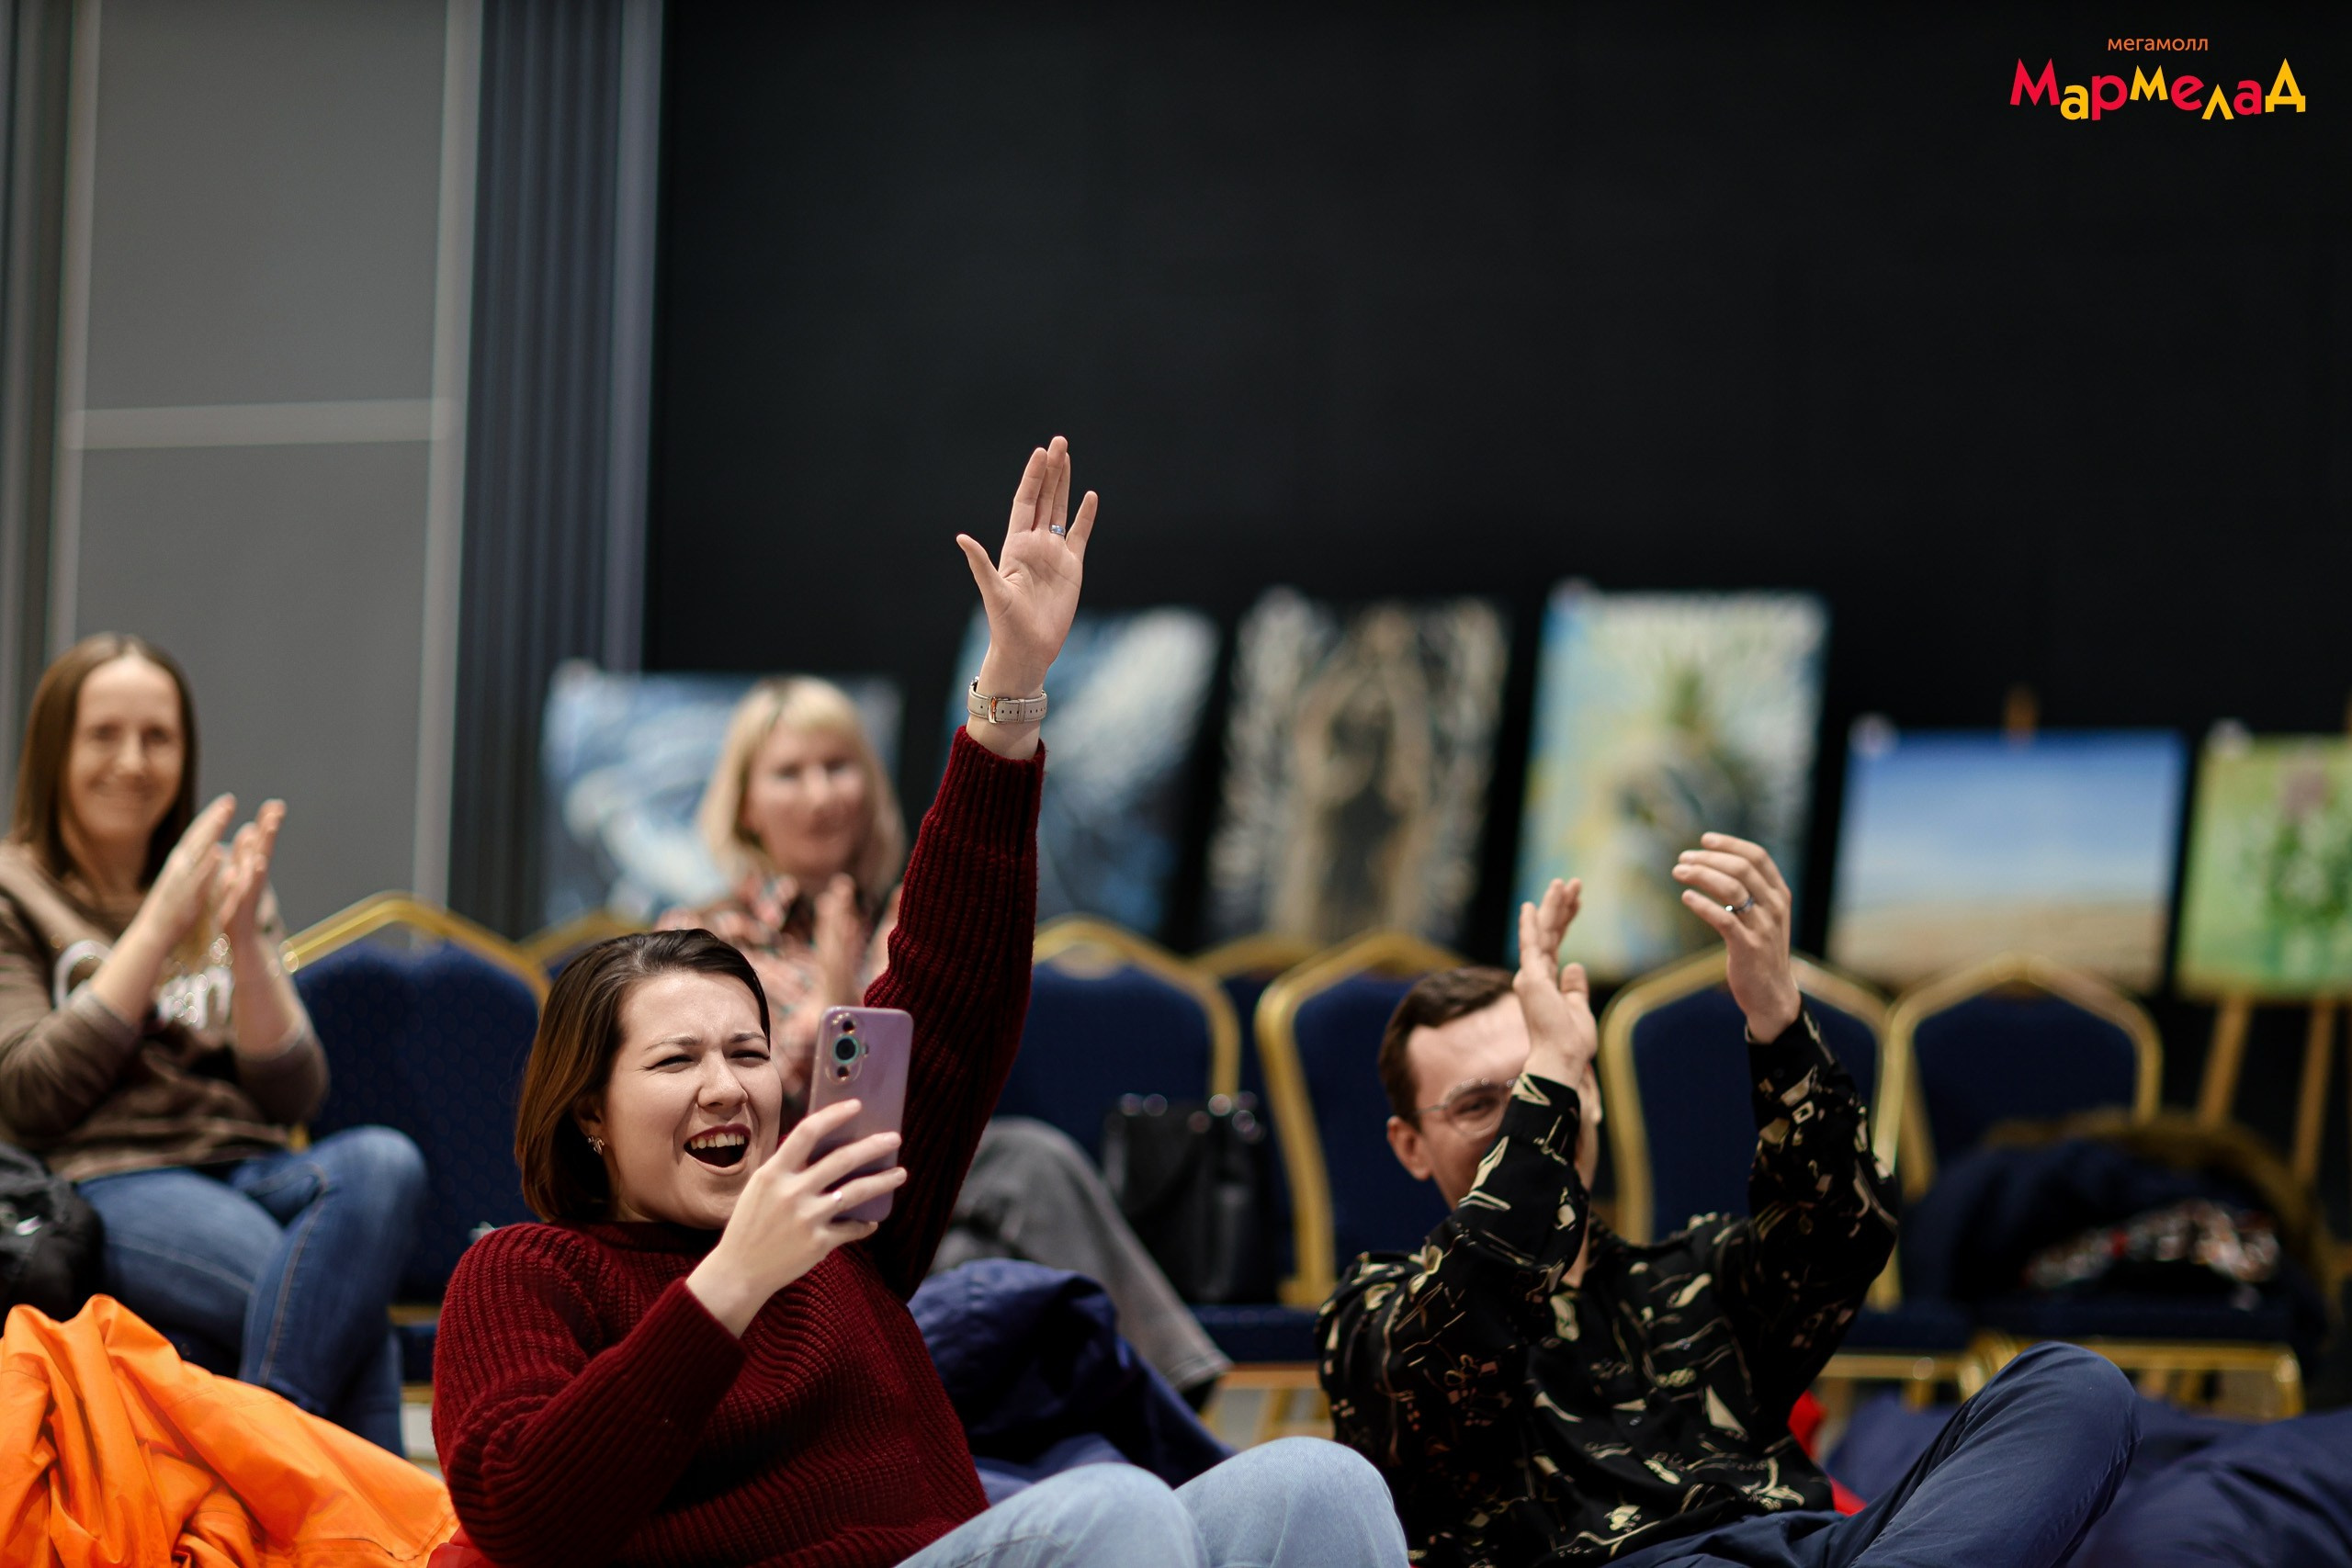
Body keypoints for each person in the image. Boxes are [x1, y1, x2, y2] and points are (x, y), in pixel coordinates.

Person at [432, 436, 1406, 1568]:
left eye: (747, 1051)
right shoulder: (524, 1274)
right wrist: (731, 1283)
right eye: (673, 1060)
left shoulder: (844, 1235)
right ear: (587, 1112)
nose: (726, 1083)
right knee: (1115, 1511)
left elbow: (944, 997)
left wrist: (1008, 699)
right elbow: (522, 1515)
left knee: (1314, 1481)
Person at [1320, 840, 2143, 1567]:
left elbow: (1843, 1231)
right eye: (1479, 1105)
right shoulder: (1379, 1313)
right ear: (1409, 1145)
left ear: (1596, 1097)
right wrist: (1548, 1075)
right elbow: (1475, 1310)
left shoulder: (1694, 1276)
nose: (1531, 1118)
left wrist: (1776, 1014)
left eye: (1554, 1086)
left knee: (2074, 1385)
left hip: (1813, 1544)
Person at [663, 673, 1229, 1397]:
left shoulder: (912, 914)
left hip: (915, 1203)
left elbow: (949, 1065)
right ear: (745, 803)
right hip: (786, 1206)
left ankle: (1108, 1429)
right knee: (1028, 1160)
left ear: (868, 786)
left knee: (980, 1257)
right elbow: (742, 1097)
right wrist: (841, 997)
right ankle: (1173, 1392)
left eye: (837, 767)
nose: (820, 794)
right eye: (789, 773)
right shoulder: (700, 935)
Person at [0, 633, 425, 1452]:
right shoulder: (17, 889)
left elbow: (294, 1094)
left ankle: (256, 1456)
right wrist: (160, 922)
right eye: (104, 734)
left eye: (158, 737)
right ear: (57, 747)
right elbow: (30, 1093)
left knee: (386, 1161)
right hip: (111, 1176)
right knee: (348, 1317)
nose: (133, 760)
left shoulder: (223, 881)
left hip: (252, 1164)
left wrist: (246, 939)